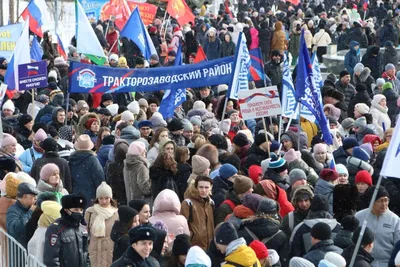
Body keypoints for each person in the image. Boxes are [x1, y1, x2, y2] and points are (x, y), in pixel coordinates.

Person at [355, 186, 400, 267]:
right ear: (371, 201)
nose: (384, 204)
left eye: (386, 200)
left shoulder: (395, 220)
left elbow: (398, 245)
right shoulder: (359, 217)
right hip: (363, 263)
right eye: (380, 201)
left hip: (386, 263)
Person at [43, 194, 88, 267]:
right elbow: (51, 259)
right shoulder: (56, 228)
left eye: (81, 210)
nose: (79, 212)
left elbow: (86, 254)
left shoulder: (82, 228)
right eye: (76, 209)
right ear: (66, 210)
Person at [85, 182, 118, 267]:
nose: (104, 201)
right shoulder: (90, 212)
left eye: (107, 198)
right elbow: (85, 231)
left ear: (111, 198)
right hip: (94, 251)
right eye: (101, 198)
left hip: (110, 251)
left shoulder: (116, 213)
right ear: (97, 198)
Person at [69, 134, 105, 208]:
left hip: (74, 194)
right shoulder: (93, 160)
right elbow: (100, 179)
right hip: (91, 196)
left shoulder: (71, 159)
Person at [181, 175, 214, 250]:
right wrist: (192, 236)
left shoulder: (211, 203)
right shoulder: (188, 203)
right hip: (194, 246)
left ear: (211, 188)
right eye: (201, 187)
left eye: (206, 187)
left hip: (209, 246)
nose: (204, 190)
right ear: (196, 187)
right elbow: (182, 225)